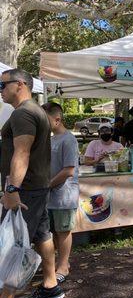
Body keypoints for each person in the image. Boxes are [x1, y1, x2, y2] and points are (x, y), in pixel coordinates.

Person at [0, 69, 64, 298]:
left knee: (14, 242)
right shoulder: (33, 111)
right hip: (37, 186)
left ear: (19, 85)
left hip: (24, 189)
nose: (1, 91)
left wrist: (12, 189)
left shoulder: (24, 113)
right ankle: (51, 285)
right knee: (41, 235)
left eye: (2, 85)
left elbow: (22, 152)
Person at [42, 102, 79, 284]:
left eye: (45, 119)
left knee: (63, 230)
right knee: (54, 231)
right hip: (51, 194)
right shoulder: (50, 139)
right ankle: (59, 263)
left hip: (64, 194)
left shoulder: (68, 139)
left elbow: (68, 170)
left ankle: (63, 266)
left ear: (57, 119)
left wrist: (48, 185)